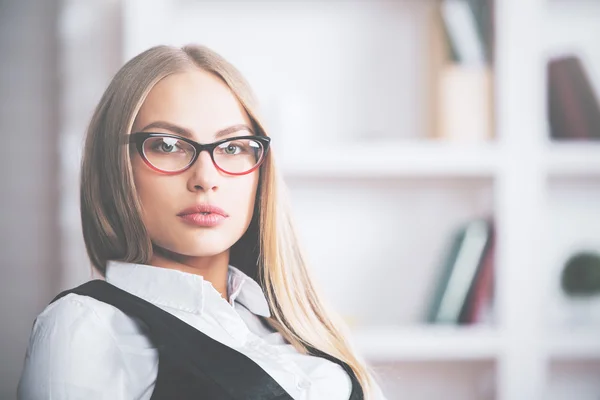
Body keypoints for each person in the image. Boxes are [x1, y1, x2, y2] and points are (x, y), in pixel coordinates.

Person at [17, 44, 387, 399]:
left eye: (232, 147)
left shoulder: (298, 326)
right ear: (115, 167)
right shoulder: (89, 325)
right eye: (167, 145)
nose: (205, 178)